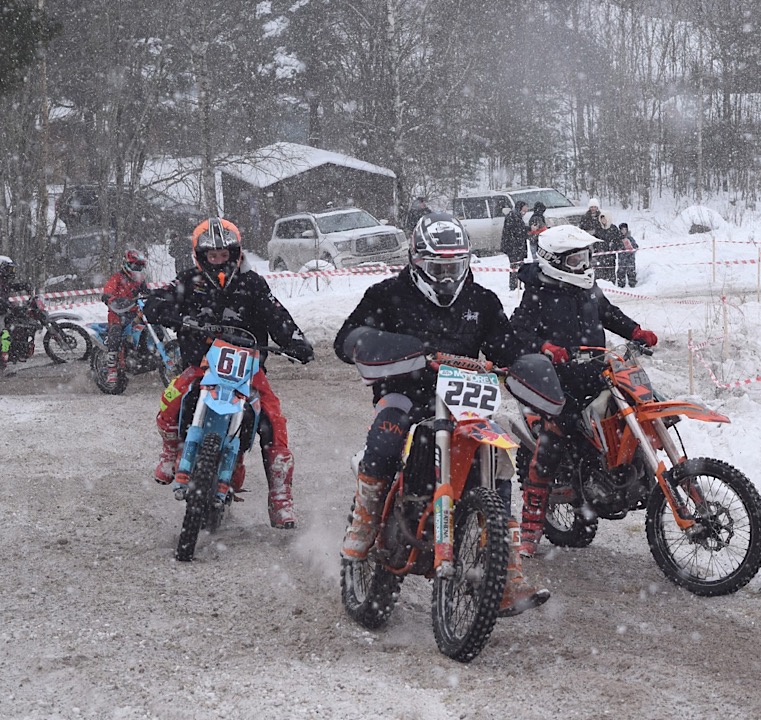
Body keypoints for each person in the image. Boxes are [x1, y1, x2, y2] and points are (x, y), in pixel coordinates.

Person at [334, 211, 550, 616]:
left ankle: (504, 568)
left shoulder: (482, 301)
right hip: (405, 393)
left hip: (464, 401)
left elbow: (506, 345)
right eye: (438, 267)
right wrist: (386, 347)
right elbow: (346, 339)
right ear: (417, 261)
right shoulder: (387, 294)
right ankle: (364, 523)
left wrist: (525, 362)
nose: (448, 277)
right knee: (387, 432)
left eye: (454, 266)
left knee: (498, 451)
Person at [143, 217, 315, 529]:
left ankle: (280, 495)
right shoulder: (188, 280)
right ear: (201, 256)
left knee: (273, 423)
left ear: (235, 254)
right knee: (170, 401)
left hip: (248, 369)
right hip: (201, 365)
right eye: (213, 256)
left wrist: (295, 341)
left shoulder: (253, 283)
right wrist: (164, 311)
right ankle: (170, 451)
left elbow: (277, 315)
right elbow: (156, 299)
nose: (219, 261)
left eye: (224, 255)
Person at [510, 225, 658, 556]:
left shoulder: (587, 287)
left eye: (585, 257)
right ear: (553, 261)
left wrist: (635, 330)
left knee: (633, 410)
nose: (583, 265)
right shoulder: (538, 292)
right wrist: (546, 347)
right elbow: (516, 333)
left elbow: (608, 313)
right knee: (555, 435)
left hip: (595, 370)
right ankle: (532, 521)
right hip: (558, 379)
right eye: (575, 259)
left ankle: (630, 477)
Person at [100, 249, 148, 384]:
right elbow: (107, 291)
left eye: (139, 267)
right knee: (115, 332)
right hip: (118, 312)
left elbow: (147, 292)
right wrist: (110, 297)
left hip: (135, 311)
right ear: (126, 265)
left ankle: (146, 355)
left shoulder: (140, 279)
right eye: (135, 266)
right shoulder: (117, 278)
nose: (137, 269)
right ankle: (112, 369)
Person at [0, 256, 31, 371]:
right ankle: (2, 360)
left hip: (4, 310)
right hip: (1, 312)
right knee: (4, 334)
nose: (11, 273)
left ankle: (16, 351)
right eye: (9, 269)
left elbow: (9, 288)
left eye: (12, 270)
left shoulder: (3, 280)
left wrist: (23, 286)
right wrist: (3, 303)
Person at [500, 200, 529, 291]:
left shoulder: (517, 216)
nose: (525, 211)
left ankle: (517, 284)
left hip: (516, 246)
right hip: (513, 247)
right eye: (524, 209)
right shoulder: (513, 217)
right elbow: (516, 231)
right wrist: (527, 230)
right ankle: (514, 285)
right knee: (515, 266)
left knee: (518, 265)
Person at [593, 212, 620, 283]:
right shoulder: (598, 228)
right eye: (602, 219)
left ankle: (611, 285)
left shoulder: (613, 228)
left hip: (610, 255)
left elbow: (618, 240)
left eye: (604, 218)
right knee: (600, 272)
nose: (603, 220)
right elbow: (595, 240)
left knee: (610, 271)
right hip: (600, 255)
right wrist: (597, 248)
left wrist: (613, 245)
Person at [616, 222, 638, 288]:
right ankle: (621, 285)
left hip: (630, 258)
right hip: (622, 259)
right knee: (621, 272)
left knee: (631, 271)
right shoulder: (618, 239)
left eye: (625, 229)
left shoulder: (630, 238)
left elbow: (635, 246)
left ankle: (632, 284)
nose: (623, 231)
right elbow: (616, 247)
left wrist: (632, 248)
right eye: (622, 230)